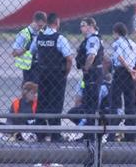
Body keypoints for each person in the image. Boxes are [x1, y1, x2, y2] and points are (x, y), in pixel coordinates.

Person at [29, 12, 74, 142]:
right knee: (56, 104)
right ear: (57, 23)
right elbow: (69, 58)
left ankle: (40, 133)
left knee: (42, 103)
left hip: (43, 75)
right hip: (57, 75)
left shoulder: (39, 37)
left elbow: (32, 52)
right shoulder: (60, 38)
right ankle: (55, 134)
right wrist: (65, 73)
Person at [108, 22, 136, 141]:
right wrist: (135, 72)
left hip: (120, 72)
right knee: (130, 104)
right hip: (131, 75)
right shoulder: (132, 44)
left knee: (115, 102)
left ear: (116, 32)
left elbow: (119, 57)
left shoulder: (117, 43)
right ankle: (130, 135)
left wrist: (129, 69)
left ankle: (112, 134)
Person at [75, 17, 104, 120]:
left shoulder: (93, 39)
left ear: (91, 26)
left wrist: (87, 68)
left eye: (83, 25)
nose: (81, 28)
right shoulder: (88, 39)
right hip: (90, 74)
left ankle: (91, 126)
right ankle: (88, 125)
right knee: (87, 100)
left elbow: (91, 55)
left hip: (93, 73)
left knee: (91, 102)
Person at [11, 12, 46, 85]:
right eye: (39, 25)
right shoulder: (24, 33)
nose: (40, 28)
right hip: (29, 69)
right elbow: (14, 53)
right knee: (29, 88)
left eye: (42, 26)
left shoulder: (42, 33)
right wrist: (26, 48)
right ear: (34, 22)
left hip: (40, 67)